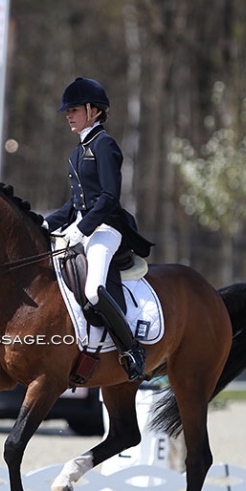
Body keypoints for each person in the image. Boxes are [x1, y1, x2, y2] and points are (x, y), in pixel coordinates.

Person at [45, 77, 154, 381]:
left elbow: (109, 197)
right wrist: (44, 223)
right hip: (83, 225)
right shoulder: (77, 151)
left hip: (107, 228)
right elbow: (72, 205)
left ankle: (132, 349)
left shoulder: (105, 145)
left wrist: (83, 229)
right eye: (67, 111)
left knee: (93, 290)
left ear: (93, 111)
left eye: (74, 110)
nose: (68, 115)